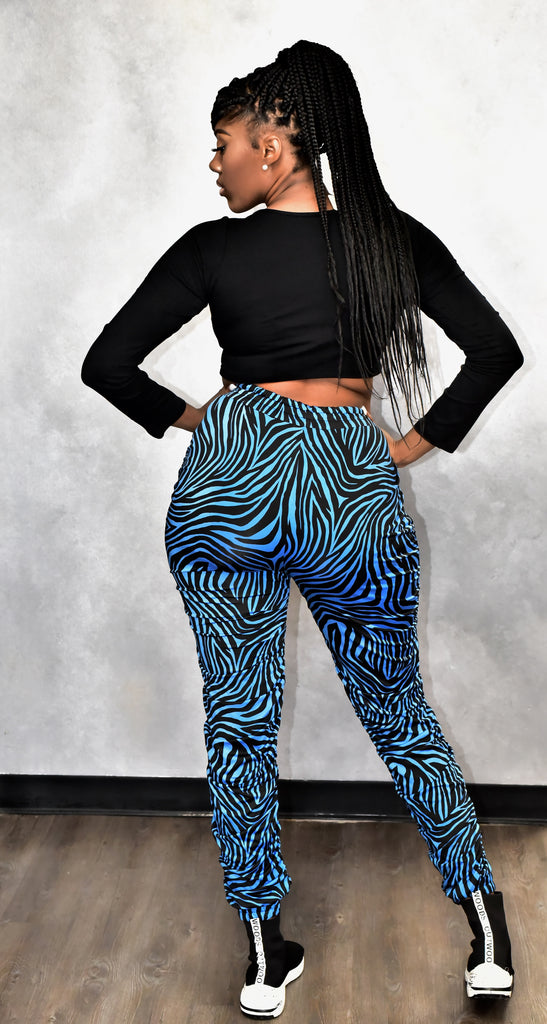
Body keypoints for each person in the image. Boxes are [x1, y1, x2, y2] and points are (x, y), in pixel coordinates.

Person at [82, 40, 523, 1018]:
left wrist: (208, 419)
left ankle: (260, 956)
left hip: (229, 486)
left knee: (237, 721)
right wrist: (406, 444)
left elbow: (105, 363)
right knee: (399, 712)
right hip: (345, 481)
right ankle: (486, 935)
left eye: (224, 143)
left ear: (273, 147)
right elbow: (494, 349)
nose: (214, 163)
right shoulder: (388, 241)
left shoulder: (210, 248)